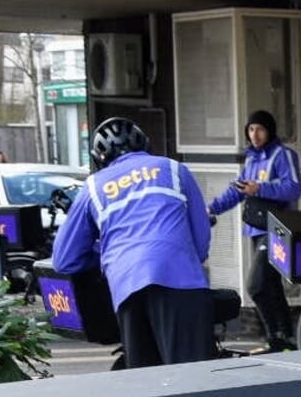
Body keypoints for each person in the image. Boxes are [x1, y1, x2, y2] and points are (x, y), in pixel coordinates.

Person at [50, 117, 216, 368]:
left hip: (127, 287)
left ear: (99, 158)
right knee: (194, 379)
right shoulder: (173, 169)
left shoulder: (93, 187)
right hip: (181, 280)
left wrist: (108, 254)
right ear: (145, 144)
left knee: (145, 383)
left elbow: (64, 259)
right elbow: (201, 242)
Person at [209, 110, 301, 351]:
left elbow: (293, 189)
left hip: (277, 229)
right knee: (270, 285)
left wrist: (259, 188)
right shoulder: (251, 159)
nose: (255, 134)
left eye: (259, 129)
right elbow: (238, 191)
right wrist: (211, 209)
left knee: (256, 285)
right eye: (250, 129)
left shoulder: (283, 155)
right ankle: (284, 338)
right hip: (255, 229)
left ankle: (277, 336)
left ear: (269, 130)